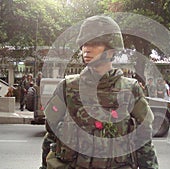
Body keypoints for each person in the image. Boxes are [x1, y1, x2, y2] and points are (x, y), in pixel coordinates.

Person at [41, 15, 158, 169]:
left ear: (111, 49)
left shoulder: (131, 90)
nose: (86, 49)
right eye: (84, 44)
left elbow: (144, 141)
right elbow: (51, 135)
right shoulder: (67, 87)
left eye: (95, 44)